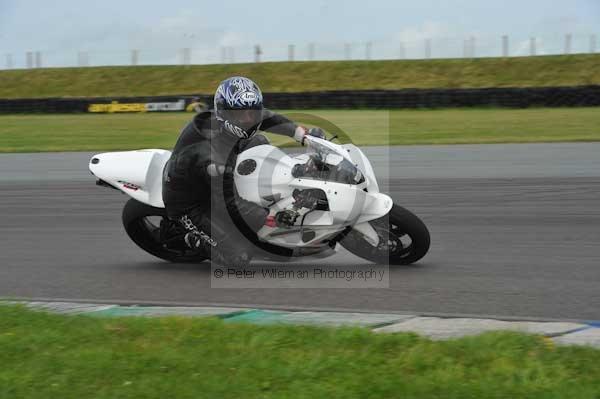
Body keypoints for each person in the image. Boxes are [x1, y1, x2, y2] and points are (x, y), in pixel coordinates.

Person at [162, 76, 325, 266]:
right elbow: (229, 204)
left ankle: (292, 175)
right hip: (191, 202)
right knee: (238, 258)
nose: (249, 118)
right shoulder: (211, 160)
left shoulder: (231, 121)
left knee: (260, 142)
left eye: (252, 112)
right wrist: (268, 218)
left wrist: (303, 135)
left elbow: (268, 118)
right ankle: (186, 238)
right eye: (241, 114)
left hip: (221, 170)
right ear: (224, 113)